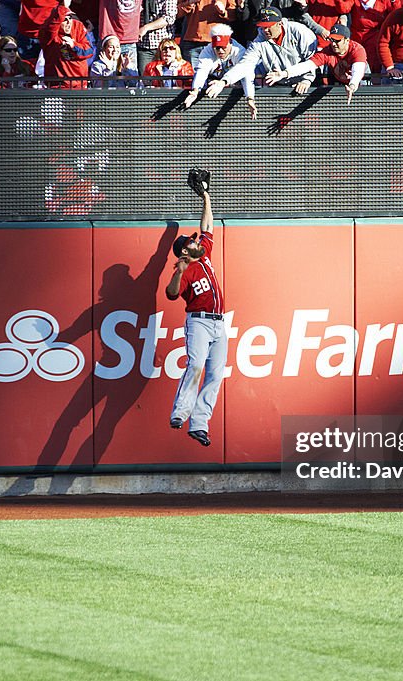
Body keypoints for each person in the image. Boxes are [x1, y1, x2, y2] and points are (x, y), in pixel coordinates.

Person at [166, 169, 226, 448]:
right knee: (197, 365)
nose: (196, 240)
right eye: (191, 242)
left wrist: (205, 196)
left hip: (219, 324)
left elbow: (208, 225)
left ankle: (199, 425)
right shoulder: (185, 269)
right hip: (199, 322)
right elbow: (171, 293)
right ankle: (180, 413)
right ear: (184, 251)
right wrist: (178, 271)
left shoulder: (206, 253)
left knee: (215, 375)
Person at [205, 6, 321, 96]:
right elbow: (245, 64)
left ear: (280, 24)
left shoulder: (300, 32)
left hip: (306, 83)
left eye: (268, 26)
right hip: (278, 84)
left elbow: (312, 60)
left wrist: (307, 80)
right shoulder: (259, 41)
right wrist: (224, 82)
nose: (265, 30)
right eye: (263, 26)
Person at [265, 22, 368, 101]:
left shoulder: (357, 50)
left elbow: (357, 71)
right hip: (339, 82)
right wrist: (284, 73)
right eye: (332, 40)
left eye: (337, 41)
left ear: (347, 40)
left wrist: (352, 85)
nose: (334, 44)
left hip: (359, 82)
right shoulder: (327, 52)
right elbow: (307, 65)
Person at [184, 23, 257, 117]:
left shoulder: (239, 51)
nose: (220, 51)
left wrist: (250, 98)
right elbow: (202, 71)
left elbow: (246, 73)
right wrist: (195, 91)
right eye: (217, 47)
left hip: (234, 85)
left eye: (223, 47)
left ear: (230, 43)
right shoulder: (208, 50)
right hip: (213, 87)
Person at [41, 2, 96, 87]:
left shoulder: (78, 27)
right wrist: (62, 8)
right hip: (57, 85)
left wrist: (74, 45)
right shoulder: (49, 35)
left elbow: (89, 51)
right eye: (64, 20)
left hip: (79, 83)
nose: (68, 22)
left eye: (70, 18)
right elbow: (51, 27)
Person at [178, 0, 238, 65]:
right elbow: (177, 13)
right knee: (193, 74)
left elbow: (234, 15)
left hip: (217, 42)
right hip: (192, 41)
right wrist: (190, 3)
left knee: (217, 73)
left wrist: (223, 12)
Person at [350, 0, 396, 74]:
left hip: (379, 41)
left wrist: (394, 1)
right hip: (359, 41)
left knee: (376, 71)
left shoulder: (384, 2)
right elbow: (344, 8)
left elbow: (396, 15)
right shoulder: (355, 2)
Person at [137, 0, 179, 72]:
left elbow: (169, 17)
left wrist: (146, 28)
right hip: (143, 46)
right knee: (145, 79)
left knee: (165, 78)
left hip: (165, 48)